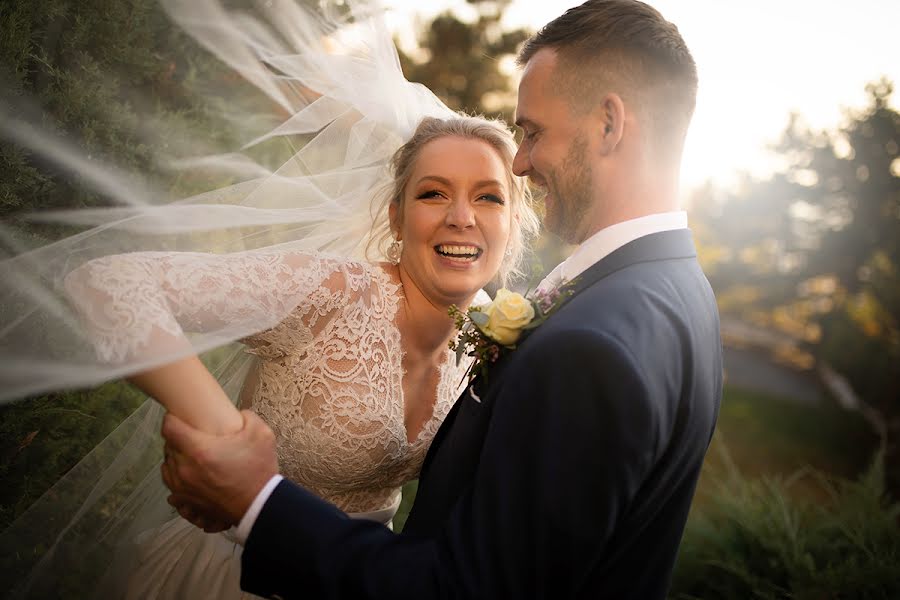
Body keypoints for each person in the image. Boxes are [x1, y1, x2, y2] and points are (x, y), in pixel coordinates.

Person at [162, 0, 724, 598]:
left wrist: (256, 501)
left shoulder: (591, 342)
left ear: (609, 124)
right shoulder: (685, 297)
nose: (522, 162)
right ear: (396, 214)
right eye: (433, 194)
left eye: (532, 132)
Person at [0, 2, 540, 598]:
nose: (462, 217)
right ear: (396, 217)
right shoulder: (334, 291)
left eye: (488, 198)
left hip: (356, 579)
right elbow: (107, 282)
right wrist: (227, 443)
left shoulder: (494, 335)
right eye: (434, 193)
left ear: (512, 225)